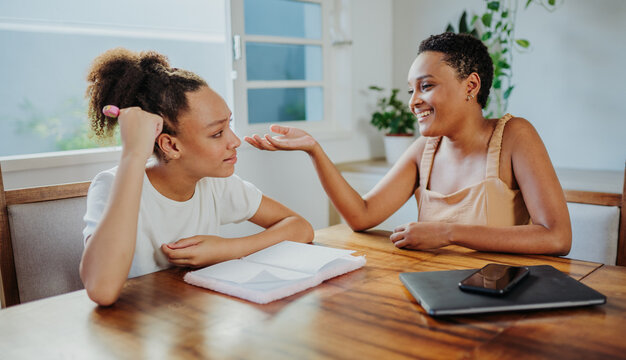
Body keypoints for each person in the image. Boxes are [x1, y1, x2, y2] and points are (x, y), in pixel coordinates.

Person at [245, 32, 571, 256]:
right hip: (434, 289)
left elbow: (556, 237)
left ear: (471, 85)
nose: (413, 102)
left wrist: (449, 233)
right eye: (410, 90)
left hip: (502, 299)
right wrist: (314, 149)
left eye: (426, 86)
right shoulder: (422, 152)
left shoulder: (515, 136)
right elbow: (361, 216)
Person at [80, 48, 313, 306]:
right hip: (132, 331)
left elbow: (300, 227)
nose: (235, 141)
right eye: (217, 133)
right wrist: (134, 153)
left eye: (229, 126)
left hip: (194, 319)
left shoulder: (215, 183)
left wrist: (226, 249)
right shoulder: (111, 186)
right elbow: (101, 289)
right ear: (171, 145)